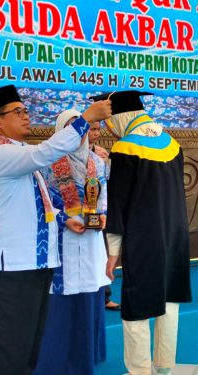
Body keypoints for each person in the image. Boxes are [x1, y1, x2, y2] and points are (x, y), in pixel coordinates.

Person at [0, 85, 111, 374]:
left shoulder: (23, 153)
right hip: (9, 267)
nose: (26, 116)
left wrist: (65, 219)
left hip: (35, 264)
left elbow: (42, 204)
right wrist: (86, 117)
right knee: (10, 349)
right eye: (17, 112)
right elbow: (48, 151)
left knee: (29, 348)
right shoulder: (0, 155)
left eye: (25, 111)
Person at [99, 91, 191, 375]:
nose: (108, 129)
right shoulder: (173, 144)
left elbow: (118, 206)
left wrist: (113, 254)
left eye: (108, 122)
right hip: (175, 234)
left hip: (143, 237)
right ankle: (165, 365)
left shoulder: (126, 148)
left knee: (137, 304)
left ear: (119, 118)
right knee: (169, 298)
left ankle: (140, 370)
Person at [34, 110, 111, 375]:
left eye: (82, 128)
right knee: (60, 297)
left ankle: (85, 355)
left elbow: (102, 196)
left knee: (88, 293)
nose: (79, 135)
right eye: (72, 129)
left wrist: (101, 217)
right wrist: (64, 219)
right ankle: (57, 358)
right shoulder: (47, 163)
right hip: (61, 238)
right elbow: (42, 204)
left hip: (90, 240)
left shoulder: (96, 162)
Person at [86, 118, 121, 311]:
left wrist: (104, 160)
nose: (96, 133)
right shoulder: (65, 154)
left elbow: (106, 180)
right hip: (76, 214)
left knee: (100, 251)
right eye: (91, 129)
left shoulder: (100, 153)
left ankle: (104, 296)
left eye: (98, 129)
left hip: (98, 211)